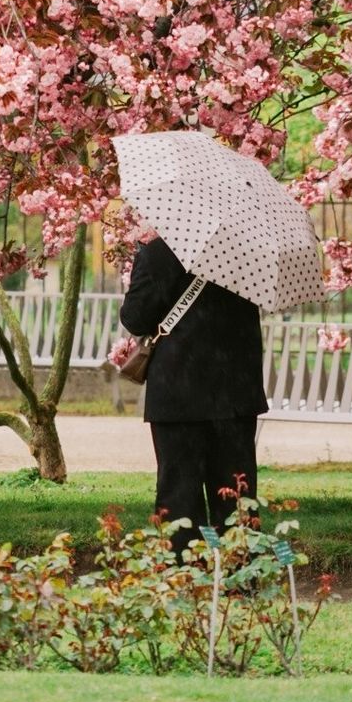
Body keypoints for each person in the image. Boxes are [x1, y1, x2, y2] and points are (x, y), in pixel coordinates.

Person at [119, 233, 268, 555]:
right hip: (235, 390)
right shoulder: (248, 250)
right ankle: (241, 575)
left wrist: (142, 258)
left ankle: (185, 576)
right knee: (235, 492)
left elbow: (135, 318)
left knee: (179, 494)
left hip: (178, 391)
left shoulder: (159, 252)